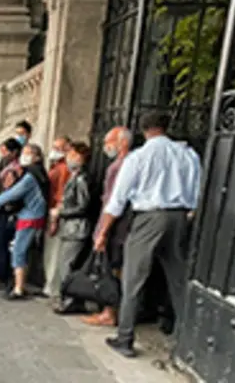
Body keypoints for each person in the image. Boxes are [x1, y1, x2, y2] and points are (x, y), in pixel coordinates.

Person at [95, 112, 201, 358]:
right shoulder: (187, 155)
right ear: (166, 127)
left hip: (147, 217)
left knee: (133, 278)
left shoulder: (138, 157)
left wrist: (103, 231)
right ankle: (186, 341)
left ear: (143, 130)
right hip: (178, 216)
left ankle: (125, 337)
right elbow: (195, 192)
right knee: (178, 279)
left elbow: (117, 199)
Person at [82, 126, 132, 326]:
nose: (105, 147)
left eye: (109, 142)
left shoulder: (118, 167)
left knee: (112, 268)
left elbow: (112, 201)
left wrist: (102, 230)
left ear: (122, 143)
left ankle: (109, 312)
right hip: (127, 224)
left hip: (116, 225)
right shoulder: (131, 164)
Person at [0, 143, 48, 300]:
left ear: (36, 156)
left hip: (29, 216)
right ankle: (20, 283)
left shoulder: (30, 176)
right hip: (35, 215)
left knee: (18, 251)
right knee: (23, 250)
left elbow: (15, 192)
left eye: (28, 153)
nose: (24, 156)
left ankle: (19, 288)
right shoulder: (40, 172)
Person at [48, 142, 93, 312]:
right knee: (65, 263)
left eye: (71, 154)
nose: (68, 158)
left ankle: (70, 300)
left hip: (76, 228)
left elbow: (83, 205)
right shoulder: (74, 176)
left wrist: (61, 213)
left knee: (68, 264)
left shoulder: (81, 178)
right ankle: (67, 297)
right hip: (70, 227)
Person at [0, 138, 23, 288]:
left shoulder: (15, 169)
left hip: (7, 209)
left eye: (6, 151)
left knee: (2, 242)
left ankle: (1, 274)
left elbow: (9, 189)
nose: (3, 154)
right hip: (2, 208)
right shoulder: (6, 165)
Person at [43, 136, 72, 300]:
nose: (54, 150)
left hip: (55, 212)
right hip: (51, 209)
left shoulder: (64, 168)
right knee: (51, 252)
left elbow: (61, 193)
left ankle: (53, 287)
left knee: (54, 252)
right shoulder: (57, 166)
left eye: (58, 147)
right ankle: (50, 284)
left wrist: (55, 217)